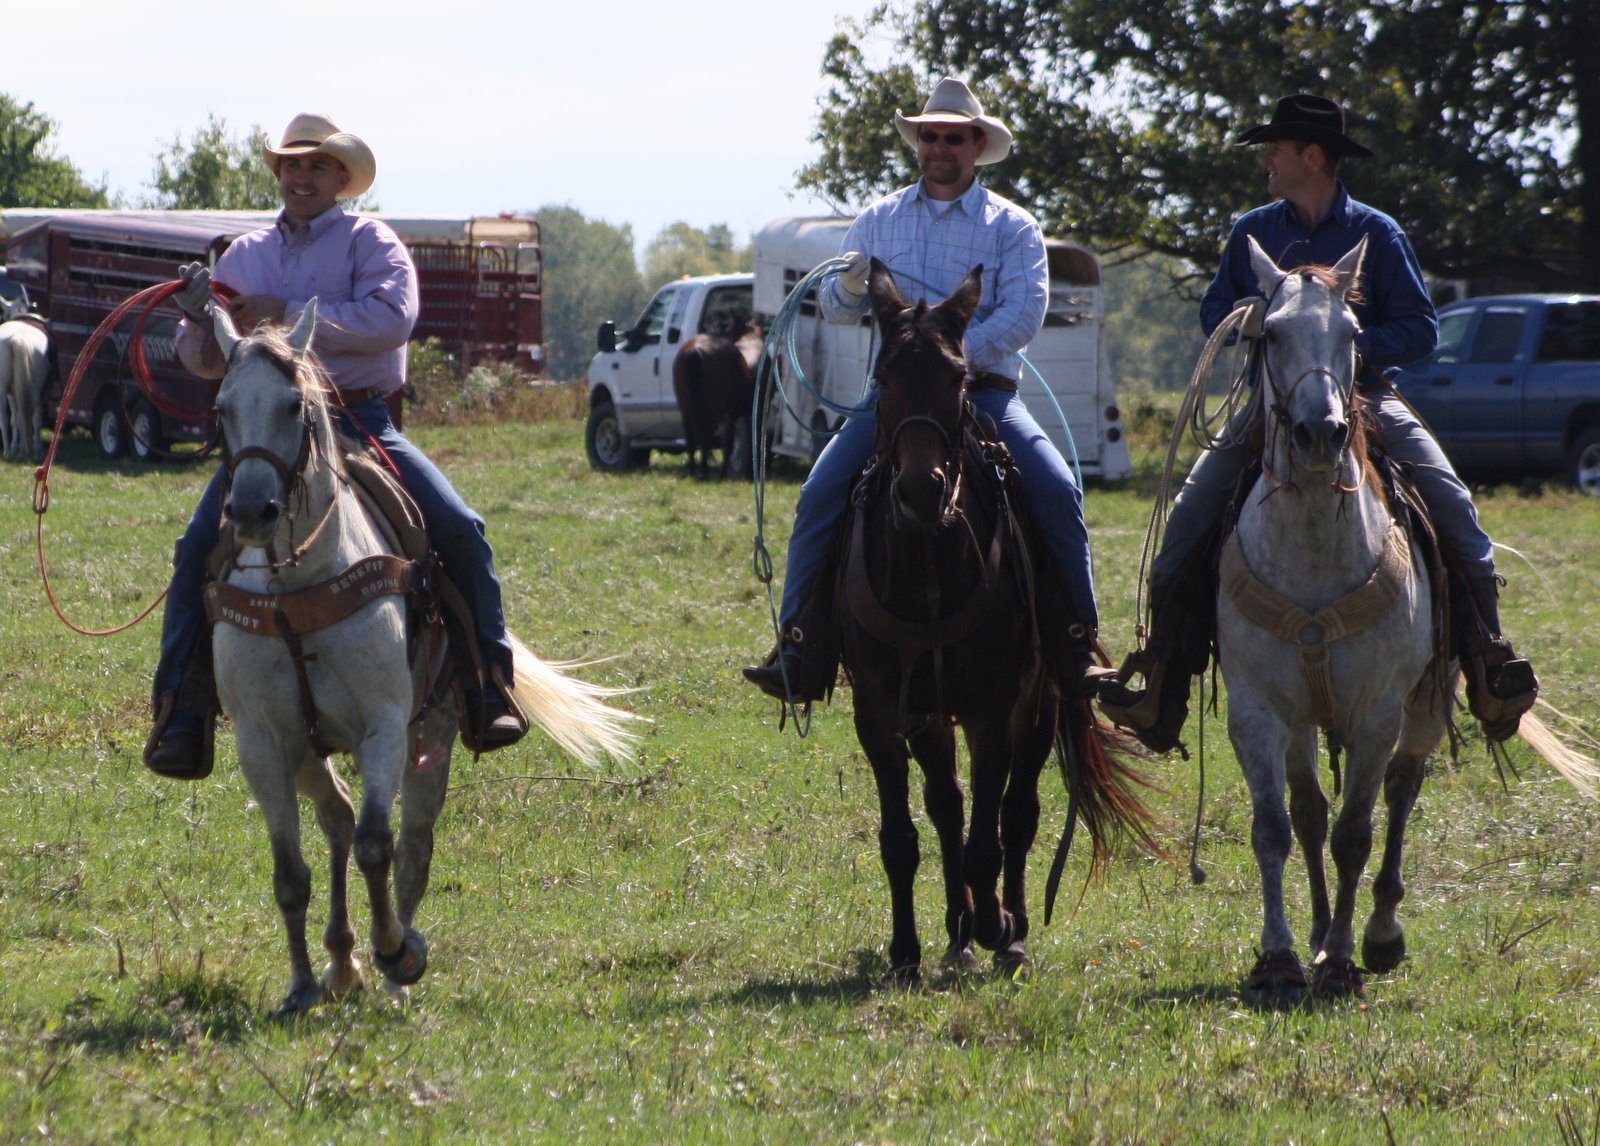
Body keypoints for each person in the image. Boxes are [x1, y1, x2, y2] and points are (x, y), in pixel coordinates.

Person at [1098, 93, 1538, 750]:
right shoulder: (1253, 231)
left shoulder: (1379, 233)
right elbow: (1215, 310)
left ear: (1311, 156)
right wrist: (1256, 320)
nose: (1267, 161)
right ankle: (1162, 684)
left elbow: (1419, 329)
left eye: (1275, 150)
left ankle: (1488, 660)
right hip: (1271, 407)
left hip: (1367, 399)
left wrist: (1339, 347)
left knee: (1455, 508)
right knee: (1185, 526)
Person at [143, 113, 527, 779]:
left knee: (460, 528)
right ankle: (183, 712)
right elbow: (202, 360)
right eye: (291, 164)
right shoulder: (242, 254)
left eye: (316, 165)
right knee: (195, 548)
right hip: (270, 430)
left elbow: (391, 319)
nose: (301, 176)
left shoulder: (370, 243)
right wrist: (201, 321)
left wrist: (284, 313)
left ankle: (487, 687)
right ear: (278, 174)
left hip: (358, 417)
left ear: (342, 178)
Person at [743, 77, 1104, 701]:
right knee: (820, 492)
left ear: (977, 146)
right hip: (892, 403)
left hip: (985, 395)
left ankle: (1077, 645)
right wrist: (848, 286)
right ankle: (798, 646)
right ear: (918, 143)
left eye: (954, 138)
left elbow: (1024, 314)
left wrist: (947, 361)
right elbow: (832, 306)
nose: (940, 147)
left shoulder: (1013, 227)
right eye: (931, 136)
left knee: (1055, 487)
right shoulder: (877, 220)